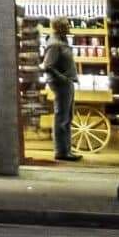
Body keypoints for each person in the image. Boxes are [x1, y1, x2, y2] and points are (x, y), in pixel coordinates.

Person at [44, 19, 81, 162]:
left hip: (67, 82)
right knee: (62, 118)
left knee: (66, 117)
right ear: (59, 27)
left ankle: (66, 150)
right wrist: (63, 78)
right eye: (66, 25)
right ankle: (61, 151)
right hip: (61, 84)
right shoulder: (55, 44)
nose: (69, 26)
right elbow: (48, 65)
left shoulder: (61, 40)